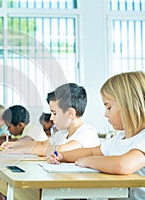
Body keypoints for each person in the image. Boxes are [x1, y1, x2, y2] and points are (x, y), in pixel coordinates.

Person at [48, 71, 145, 200]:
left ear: (130, 105)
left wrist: (89, 162)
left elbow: (123, 165)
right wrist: (63, 156)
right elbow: (92, 152)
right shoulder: (119, 139)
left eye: (109, 107)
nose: (105, 114)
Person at [2, 84, 100, 157]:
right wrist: (15, 145)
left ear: (70, 113)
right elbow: (42, 144)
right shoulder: (62, 133)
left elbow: (59, 150)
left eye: (55, 113)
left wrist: (22, 149)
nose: (51, 118)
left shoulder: (88, 133)